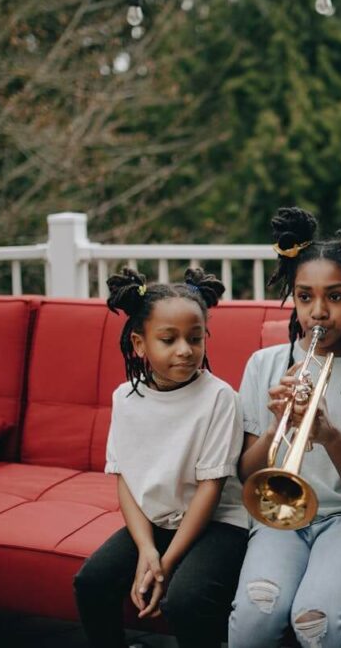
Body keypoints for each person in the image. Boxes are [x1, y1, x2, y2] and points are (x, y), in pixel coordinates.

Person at [229, 207, 341, 648]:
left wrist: (328, 434)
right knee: (255, 618)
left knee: (317, 621)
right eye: (305, 296)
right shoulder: (264, 365)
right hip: (280, 515)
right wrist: (277, 426)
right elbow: (246, 474)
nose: (319, 312)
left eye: (335, 297)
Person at [74, 267, 248, 648]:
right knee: (91, 582)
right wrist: (147, 550)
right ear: (139, 344)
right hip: (157, 522)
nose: (185, 350)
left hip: (219, 522)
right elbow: (126, 480)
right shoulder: (125, 398)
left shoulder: (220, 398)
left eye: (195, 338)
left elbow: (211, 489)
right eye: (168, 340)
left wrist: (165, 566)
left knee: (186, 600)